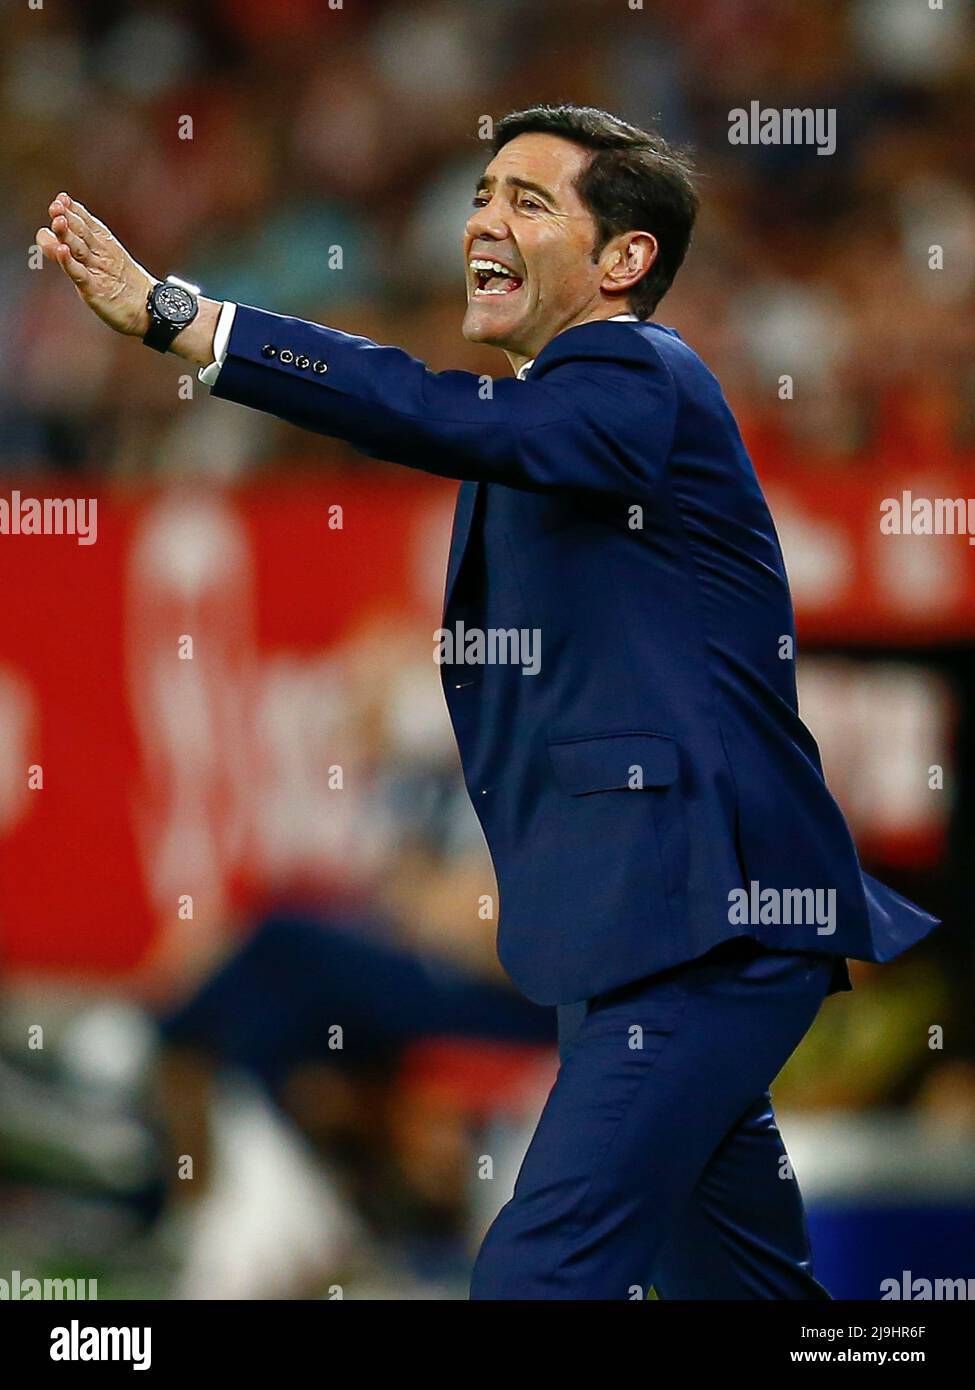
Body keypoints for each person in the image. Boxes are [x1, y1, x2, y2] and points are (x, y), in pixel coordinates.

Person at [38, 103, 939, 1300]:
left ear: (623, 261)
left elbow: (420, 406)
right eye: (480, 194)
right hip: (635, 942)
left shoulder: (631, 372)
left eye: (529, 200)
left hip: (702, 936)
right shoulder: (555, 425)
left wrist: (193, 324)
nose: (484, 219)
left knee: (534, 1279)